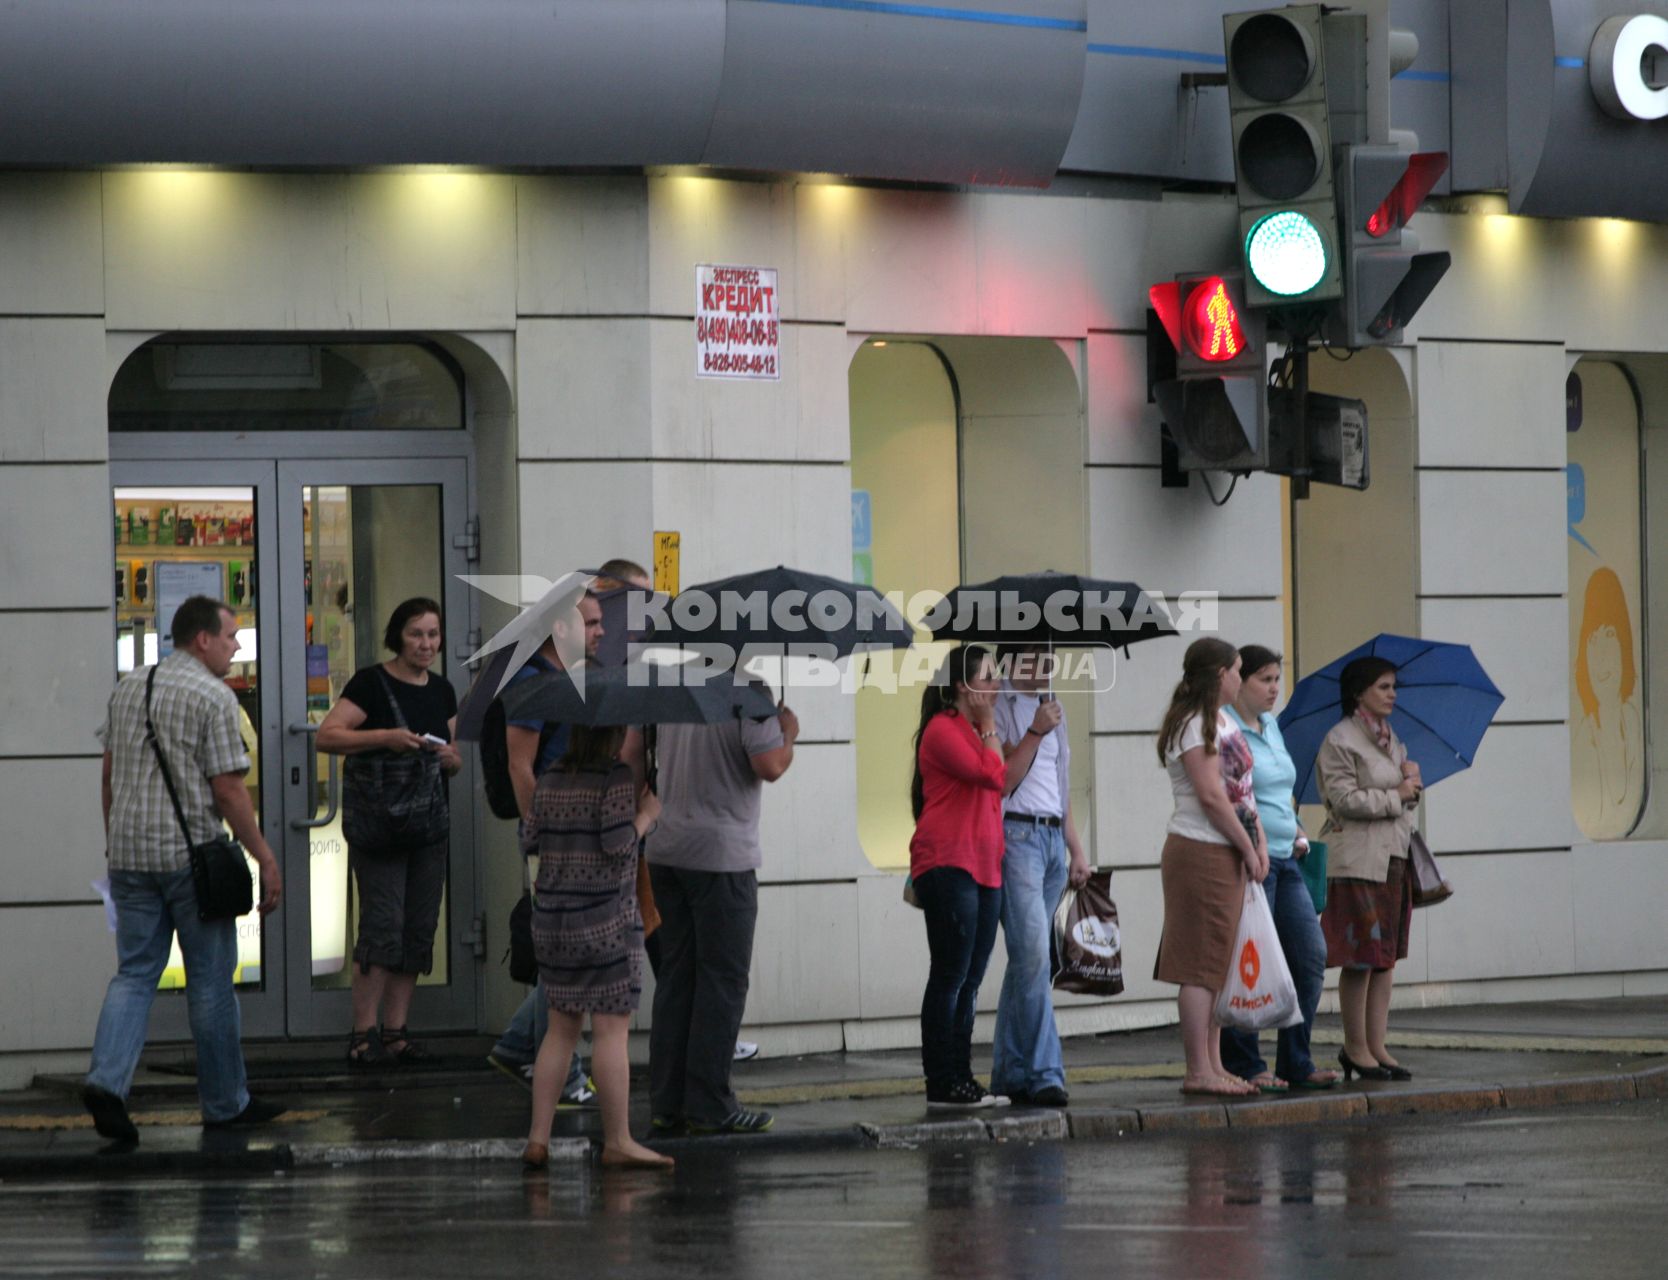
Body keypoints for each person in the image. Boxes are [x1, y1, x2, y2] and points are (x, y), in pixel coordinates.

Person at [83, 596, 285, 1143]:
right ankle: (225, 1103)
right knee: (211, 985)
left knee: (134, 974)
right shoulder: (213, 697)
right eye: (231, 636)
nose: (237, 646)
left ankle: (106, 1081)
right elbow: (228, 789)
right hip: (190, 859)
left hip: (128, 857)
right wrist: (265, 856)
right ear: (203, 639)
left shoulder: (130, 687)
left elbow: (109, 774)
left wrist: (113, 844)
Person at [630, 689, 797, 1135]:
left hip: (666, 850)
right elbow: (771, 765)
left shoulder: (674, 690)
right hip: (723, 856)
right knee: (722, 981)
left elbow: (632, 755)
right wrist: (789, 732)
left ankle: (668, 1102)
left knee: (677, 979)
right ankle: (710, 1103)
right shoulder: (749, 695)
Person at [316, 597, 461, 1066]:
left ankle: (396, 1031)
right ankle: (363, 1035)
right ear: (398, 635)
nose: (426, 644)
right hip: (379, 826)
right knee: (381, 926)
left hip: (427, 825)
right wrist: (385, 737)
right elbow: (328, 735)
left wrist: (450, 759)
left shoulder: (442, 690)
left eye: (433, 635)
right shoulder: (371, 683)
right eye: (417, 633)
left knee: (418, 928)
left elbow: (454, 753)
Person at [521, 724, 669, 1170]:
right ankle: (619, 1140)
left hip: (552, 924)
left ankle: (538, 1139)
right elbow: (618, 846)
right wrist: (646, 814)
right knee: (610, 1032)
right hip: (605, 923)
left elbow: (528, 839)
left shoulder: (549, 778)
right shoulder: (615, 778)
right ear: (611, 733)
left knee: (560, 1030)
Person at [485, 592, 604, 1103]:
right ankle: (564, 1072)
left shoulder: (569, 678)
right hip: (553, 836)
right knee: (567, 958)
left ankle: (517, 1048)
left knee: (570, 955)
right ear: (560, 628)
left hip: (575, 832)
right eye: (591, 623)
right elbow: (519, 765)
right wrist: (541, 835)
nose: (600, 632)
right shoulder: (533, 684)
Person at [1220, 645, 1338, 1092]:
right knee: (1248, 958)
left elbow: (1280, 792)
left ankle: (1296, 1059)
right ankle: (1245, 1063)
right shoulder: (1227, 728)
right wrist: (1254, 845)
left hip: (1288, 857)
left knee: (1309, 956)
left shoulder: (1270, 726)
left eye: (1277, 679)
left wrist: (1298, 826)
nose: (1274, 689)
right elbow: (1232, 794)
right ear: (1239, 682)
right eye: (1264, 680)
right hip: (1250, 860)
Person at [1153, 637, 1264, 1099]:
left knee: (1218, 961)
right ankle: (1198, 1069)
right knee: (1200, 963)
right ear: (1219, 674)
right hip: (1200, 849)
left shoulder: (1221, 720)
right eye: (1238, 670)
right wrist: (1248, 847)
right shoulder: (1192, 723)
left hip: (1228, 850)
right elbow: (1212, 797)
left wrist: (1258, 841)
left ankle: (1215, 1064)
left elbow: (1240, 790)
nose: (1241, 678)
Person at [910, 645, 1011, 1111]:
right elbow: (992, 775)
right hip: (950, 863)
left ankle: (962, 1078)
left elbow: (999, 776)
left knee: (971, 979)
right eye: (987, 678)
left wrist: (989, 729)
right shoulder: (943, 729)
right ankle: (941, 1081)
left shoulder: (974, 730)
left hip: (986, 865)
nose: (994, 687)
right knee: (950, 976)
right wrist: (991, 726)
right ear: (960, 687)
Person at [989, 644, 1089, 1108]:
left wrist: (1076, 849)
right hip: (1017, 837)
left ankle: (1009, 1072)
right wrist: (1035, 728)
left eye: (1048, 656)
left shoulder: (1054, 707)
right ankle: (1047, 1072)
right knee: (1033, 955)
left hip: (1050, 840)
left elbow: (1060, 784)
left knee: (1026, 961)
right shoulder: (999, 705)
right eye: (1033, 656)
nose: (1044, 665)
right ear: (1010, 660)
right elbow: (1004, 778)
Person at [1317, 656, 1421, 1082]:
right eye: (1383, 686)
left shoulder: (1392, 740)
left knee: (1385, 958)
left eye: (1394, 686)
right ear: (1359, 692)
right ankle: (1355, 1048)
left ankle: (1378, 1045)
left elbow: (1399, 799)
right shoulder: (1340, 739)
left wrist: (1412, 782)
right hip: (1358, 860)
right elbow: (1343, 800)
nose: (1392, 694)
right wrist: (1397, 793)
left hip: (1393, 857)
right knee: (1359, 957)